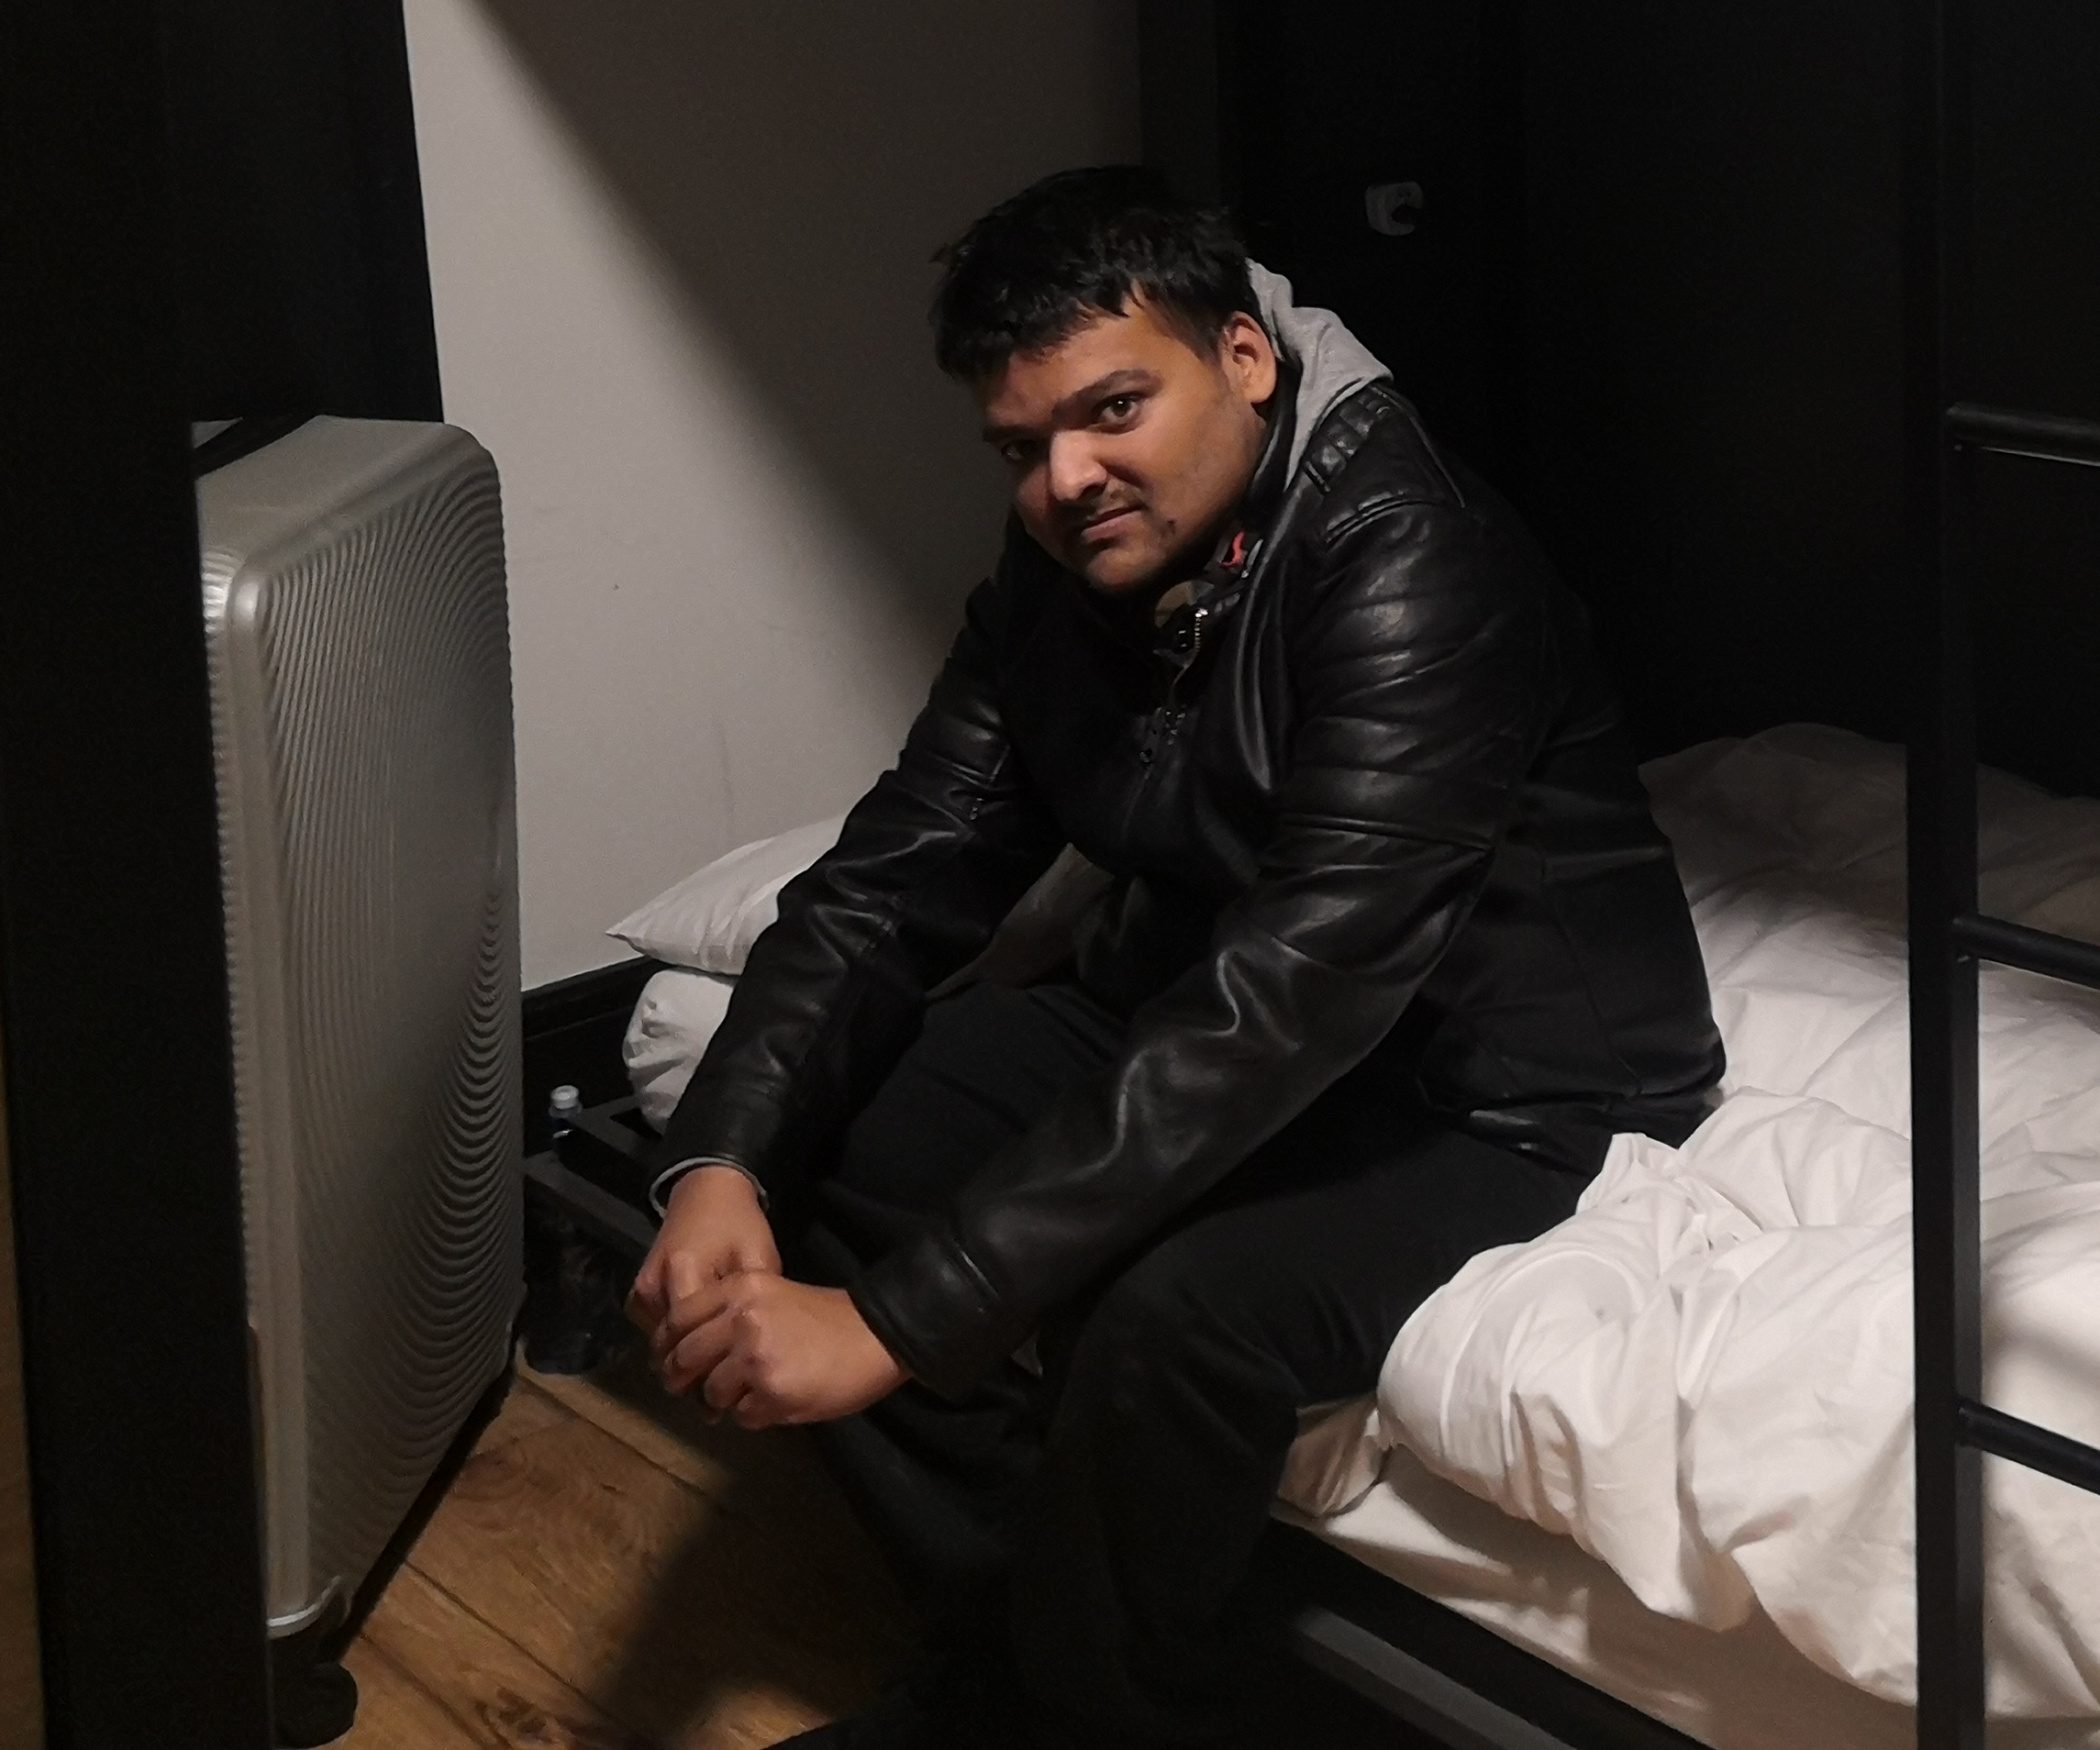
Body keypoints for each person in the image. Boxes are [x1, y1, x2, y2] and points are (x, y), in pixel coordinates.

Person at [630, 169, 1723, 1749]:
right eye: (1022, 446)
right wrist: (720, 1157)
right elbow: (902, 870)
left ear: (1247, 358)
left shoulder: (1413, 559)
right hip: (1208, 996)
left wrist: (891, 1328)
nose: (1067, 479)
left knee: (1173, 1319)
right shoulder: (1081, 556)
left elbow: (1300, 990)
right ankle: (1025, 1656)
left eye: (1113, 410)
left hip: (1492, 1088)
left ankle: (1085, 1707)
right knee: (834, 1143)